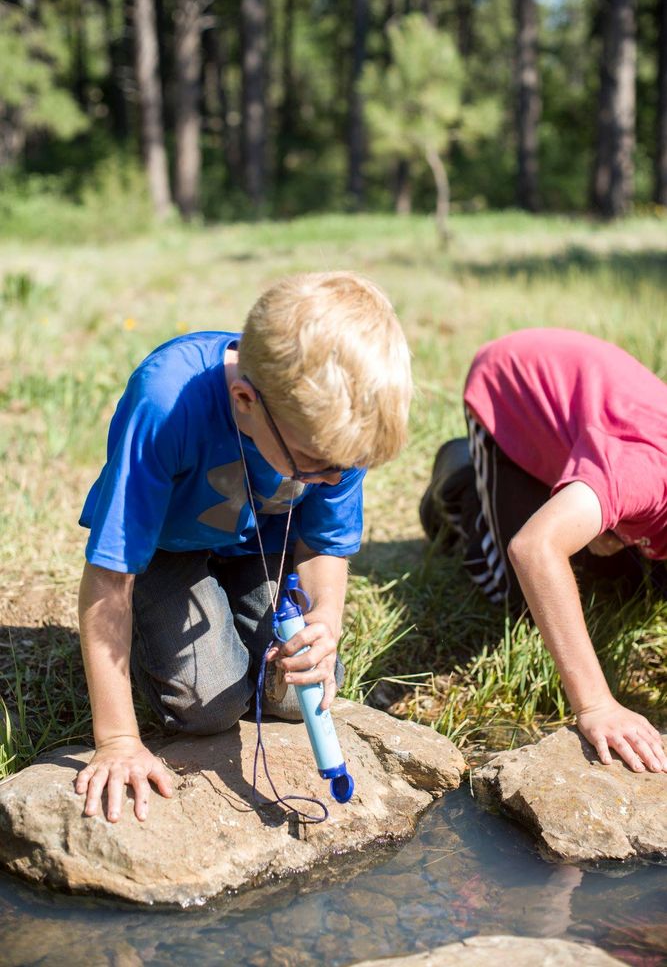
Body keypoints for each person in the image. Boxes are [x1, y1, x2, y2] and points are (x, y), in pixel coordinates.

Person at [75, 271, 412, 823]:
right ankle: (149, 646)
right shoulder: (166, 402)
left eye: (348, 468)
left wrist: (324, 621)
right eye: (317, 466)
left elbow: (325, 543)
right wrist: (116, 740)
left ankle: (233, 619)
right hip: (164, 550)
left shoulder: (334, 439)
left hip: (266, 543)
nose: (333, 479)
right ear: (244, 401)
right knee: (212, 704)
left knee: (290, 697)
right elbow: (109, 574)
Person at [420, 327, 667, 775]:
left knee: (632, 585)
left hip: (590, 418)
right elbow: (535, 549)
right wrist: (596, 703)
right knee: (519, 600)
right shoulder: (645, 473)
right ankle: (460, 476)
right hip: (511, 388)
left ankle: (575, 495)